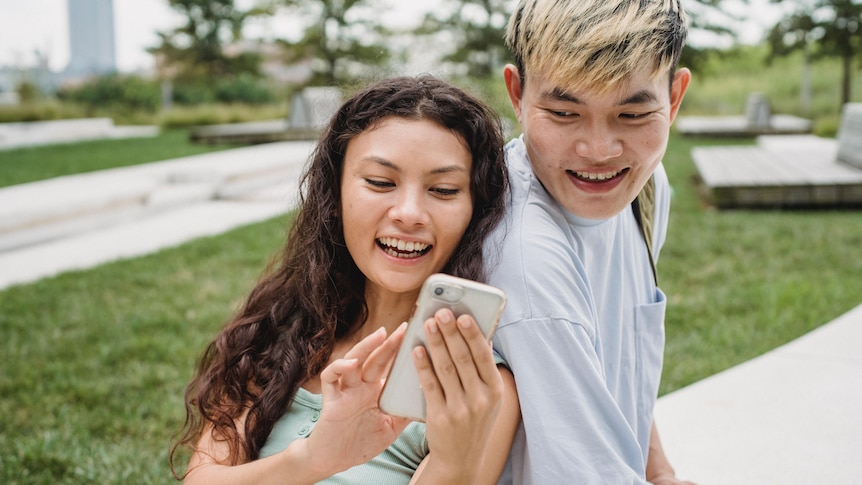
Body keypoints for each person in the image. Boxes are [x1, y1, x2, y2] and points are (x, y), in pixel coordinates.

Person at [170, 75, 520, 484]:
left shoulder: (476, 386)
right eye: (380, 182)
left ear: (474, 212)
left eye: (443, 190)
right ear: (333, 198)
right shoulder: (281, 328)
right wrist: (314, 459)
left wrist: (456, 460)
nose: (409, 213)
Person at [484, 0, 695, 484]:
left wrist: (658, 469)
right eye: (564, 112)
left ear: (675, 98)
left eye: (633, 115)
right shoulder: (525, 256)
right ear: (516, 94)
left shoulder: (645, 189)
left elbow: (617, 364)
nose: (599, 151)